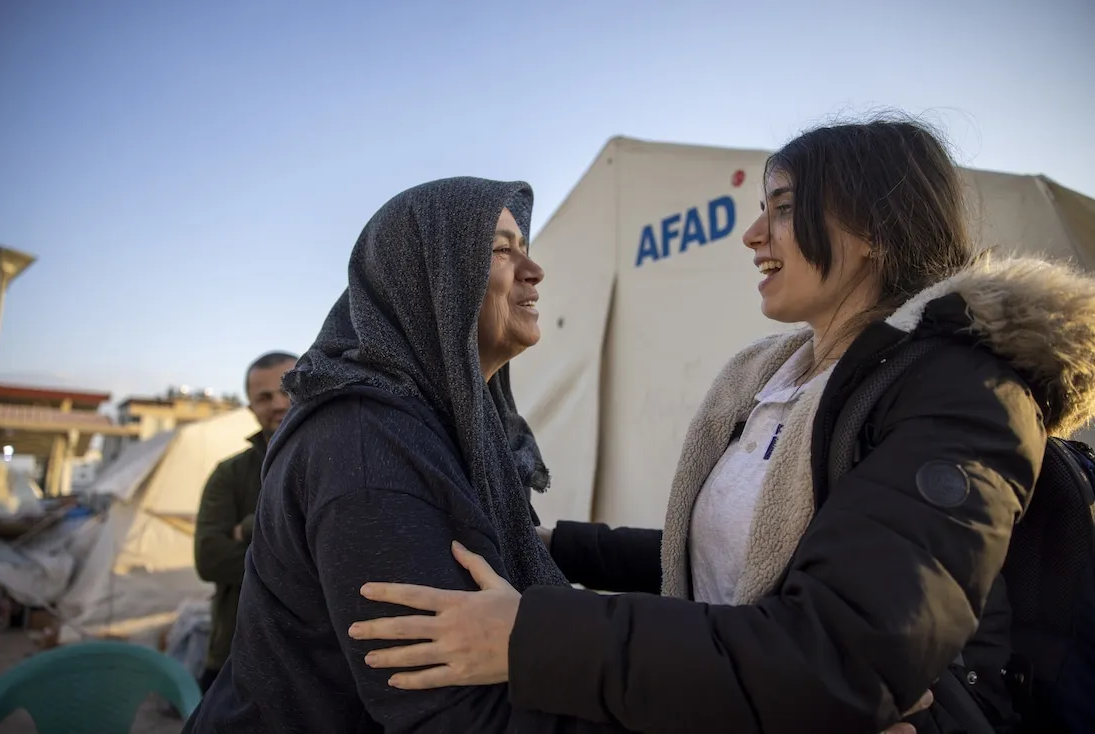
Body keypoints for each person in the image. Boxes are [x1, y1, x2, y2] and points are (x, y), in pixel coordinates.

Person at [347, 119, 1095, 734]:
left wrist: (529, 637)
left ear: (871, 227)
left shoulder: (957, 390)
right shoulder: (775, 380)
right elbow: (726, 558)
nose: (752, 233)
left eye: (782, 206)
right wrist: (559, 547)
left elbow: (841, 659)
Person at [184, 178, 642, 733]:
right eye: (500, 250)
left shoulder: (446, 427)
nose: (533, 270)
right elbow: (446, 715)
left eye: (526, 248)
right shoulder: (367, 446)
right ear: (428, 280)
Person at [193, 350, 297, 693]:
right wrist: (304, 555)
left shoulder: (340, 459)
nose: (278, 404)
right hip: (236, 651)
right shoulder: (229, 474)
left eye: (287, 390)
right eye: (264, 397)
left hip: (318, 656)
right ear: (251, 407)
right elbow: (210, 559)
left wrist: (251, 528)